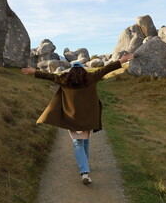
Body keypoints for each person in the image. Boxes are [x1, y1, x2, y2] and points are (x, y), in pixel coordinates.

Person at [21, 53, 134, 184]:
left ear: (71, 70)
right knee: (85, 140)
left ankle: (84, 171)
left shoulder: (64, 79)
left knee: (77, 143)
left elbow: (49, 76)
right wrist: (121, 61)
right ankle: (85, 168)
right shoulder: (91, 77)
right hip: (88, 117)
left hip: (72, 118)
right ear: (82, 69)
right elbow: (106, 69)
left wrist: (33, 71)